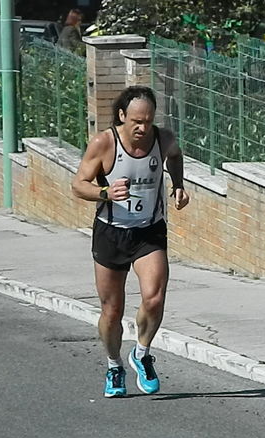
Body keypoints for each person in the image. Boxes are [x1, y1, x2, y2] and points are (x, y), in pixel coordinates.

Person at [72, 86, 190, 397]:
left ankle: (141, 352)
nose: (142, 128)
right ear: (122, 115)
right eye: (136, 121)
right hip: (111, 231)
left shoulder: (162, 139)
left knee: (154, 297)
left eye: (148, 121)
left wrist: (178, 185)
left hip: (149, 231)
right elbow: (78, 184)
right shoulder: (104, 142)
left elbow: (175, 155)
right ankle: (114, 366)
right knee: (112, 309)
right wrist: (105, 193)